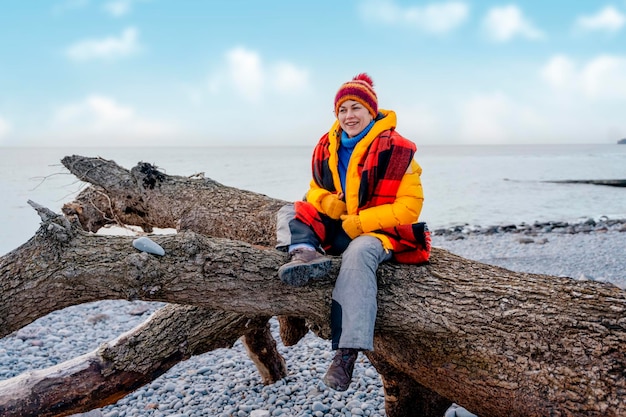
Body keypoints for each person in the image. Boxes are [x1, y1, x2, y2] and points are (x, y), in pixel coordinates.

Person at [275, 73, 429, 391]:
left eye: (356, 107)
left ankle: (346, 354)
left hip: (382, 230)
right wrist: (329, 204)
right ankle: (305, 254)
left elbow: (410, 207)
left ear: (372, 111)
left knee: (359, 252)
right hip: (342, 223)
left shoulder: (397, 149)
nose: (349, 116)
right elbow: (313, 191)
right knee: (290, 211)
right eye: (342, 109)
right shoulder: (327, 145)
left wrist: (359, 223)